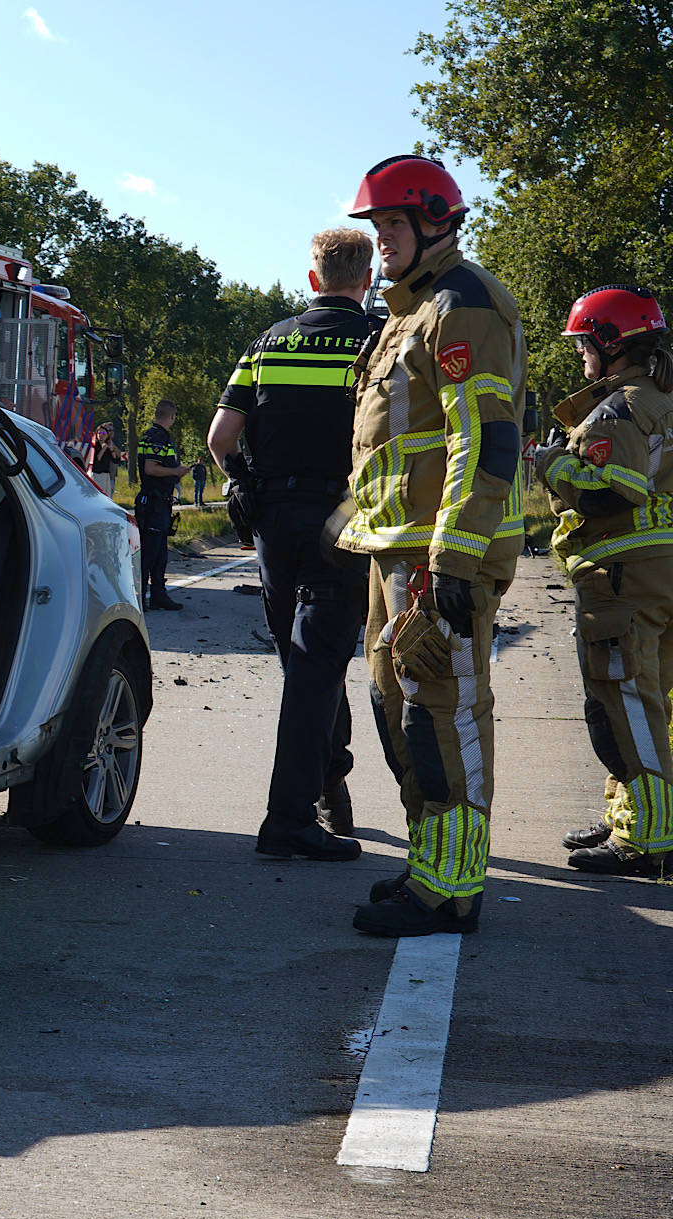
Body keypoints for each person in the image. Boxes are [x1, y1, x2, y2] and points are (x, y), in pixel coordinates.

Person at [336, 154, 526, 937]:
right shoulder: (407, 311)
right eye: (376, 225)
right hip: (396, 549)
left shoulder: (462, 303)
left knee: (442, 717)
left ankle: (451, 891)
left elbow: (484, 438)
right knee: (400, 712)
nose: (381, 239)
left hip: (439, 556)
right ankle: (430, 866)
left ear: (435, 223)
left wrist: (453, 556)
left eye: (394, 223)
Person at [208, 228, 377, 861]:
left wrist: (244, 485)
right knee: (319, 662)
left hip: (274, 519)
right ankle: (290, 818)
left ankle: (327, 783)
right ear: (368, 279)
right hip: (347, 516)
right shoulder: (380, 340)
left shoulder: (268, 342)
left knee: (305, 661)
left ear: (312, 280)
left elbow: (221, 438)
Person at [537, 286, 673, 876]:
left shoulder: (618, 409)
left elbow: (611, 491)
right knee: (654, 701)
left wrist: (550, 464)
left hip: (625, 576)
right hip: (661, 574)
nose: (580, 354)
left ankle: (648, 837)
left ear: (611, 342)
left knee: (625, 702)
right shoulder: (664, 397)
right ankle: (628, 815)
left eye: (583, 343)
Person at [134, 399, 190, 610]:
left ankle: (158, 595)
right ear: (172, 416)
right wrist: (176, 471)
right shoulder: (158, 437)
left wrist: (174, 477)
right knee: (149, 553)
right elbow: (150, 468)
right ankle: (140, 598)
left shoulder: (154, 435)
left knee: (160, 553)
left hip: (161, 501)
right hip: (153, 503)